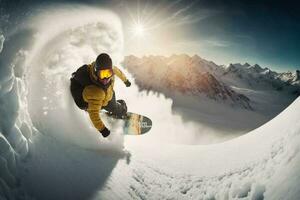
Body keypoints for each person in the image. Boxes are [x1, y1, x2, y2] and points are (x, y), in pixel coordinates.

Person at [70, 53, 131, 138]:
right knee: (107, 104)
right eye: (103, 74)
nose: (106, 78)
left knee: (112, 102)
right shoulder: (95, 92)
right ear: (96, 72)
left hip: (104, 95)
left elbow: (118, 72)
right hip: (86, 99)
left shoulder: (111, 71)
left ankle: (118, 108)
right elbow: (94, 114)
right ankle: (118, 111)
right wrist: (102, 129)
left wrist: (126, 81)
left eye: (108, 73)